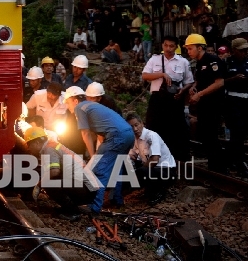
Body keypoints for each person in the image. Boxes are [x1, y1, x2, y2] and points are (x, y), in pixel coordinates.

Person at [63, 86, 135, 216]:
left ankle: (94, 207)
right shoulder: (92, 106)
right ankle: (116, 200)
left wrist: (93, 157)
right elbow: (100, 132)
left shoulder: (80, 108)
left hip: (116, 136)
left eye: (67, 102)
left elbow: (85, 134)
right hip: (128, 134)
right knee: (116, 167)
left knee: (99, 171)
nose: (67, 107)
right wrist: (97, 154)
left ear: (74, 100)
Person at [24, 126, 98, 221]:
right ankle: (69, 207)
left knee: (48, 183)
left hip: (86, 189)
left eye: (28, 145)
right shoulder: (52, 146)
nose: (28, 148)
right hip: (88, 188)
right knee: (52, 180)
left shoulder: (49, 149)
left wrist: (39, 185)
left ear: (37, 142)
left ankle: (72, 212)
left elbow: (54, 171)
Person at [141, 35, 194, 163]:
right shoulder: (155, 59)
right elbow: (145, 75)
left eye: (171, 46)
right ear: (162, 46)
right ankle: (152, 155)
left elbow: (189, 81)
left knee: (176, 128)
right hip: (157, 99)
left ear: (176, 47)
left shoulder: (183, 62)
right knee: (154, 127)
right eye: (166, 45)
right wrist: (162, 74)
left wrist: (183, 90)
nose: (168, 48)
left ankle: (176, 157)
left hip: (175, 99)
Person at [185, 33, 227, 173]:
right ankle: (213, 165)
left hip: (213, 103)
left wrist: (200, 94)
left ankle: (219, 167)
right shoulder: (199, 63)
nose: (188, 51)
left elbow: (219, 82)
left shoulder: (212, 60)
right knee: (204, 134)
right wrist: (194, 87)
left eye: (191, 48)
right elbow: (201, 79)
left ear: (200, 47)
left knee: (211, 134)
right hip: (204, 104)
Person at [224, 38, 248, 179]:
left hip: (246, 101)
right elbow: (221, 82)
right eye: (241, 50)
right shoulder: (227, 63)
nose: (244, 53)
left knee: (243, 132)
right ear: (234, 50)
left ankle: (229, 159)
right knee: (236, 131)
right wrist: (234, 79)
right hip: (232, 100)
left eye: (246, 50)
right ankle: (239, 164)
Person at [126, 113, 175, 205]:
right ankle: (148, 190)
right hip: (154, 170)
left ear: (142, 124)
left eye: (136, 125)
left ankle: (159, 192)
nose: (135, 129)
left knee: (142, 171)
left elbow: (154, 160)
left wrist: (136, 175)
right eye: (131, 127)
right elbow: (131, 155)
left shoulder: (151, 136)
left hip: (166, 171)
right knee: (127, 165)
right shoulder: (135, 138)